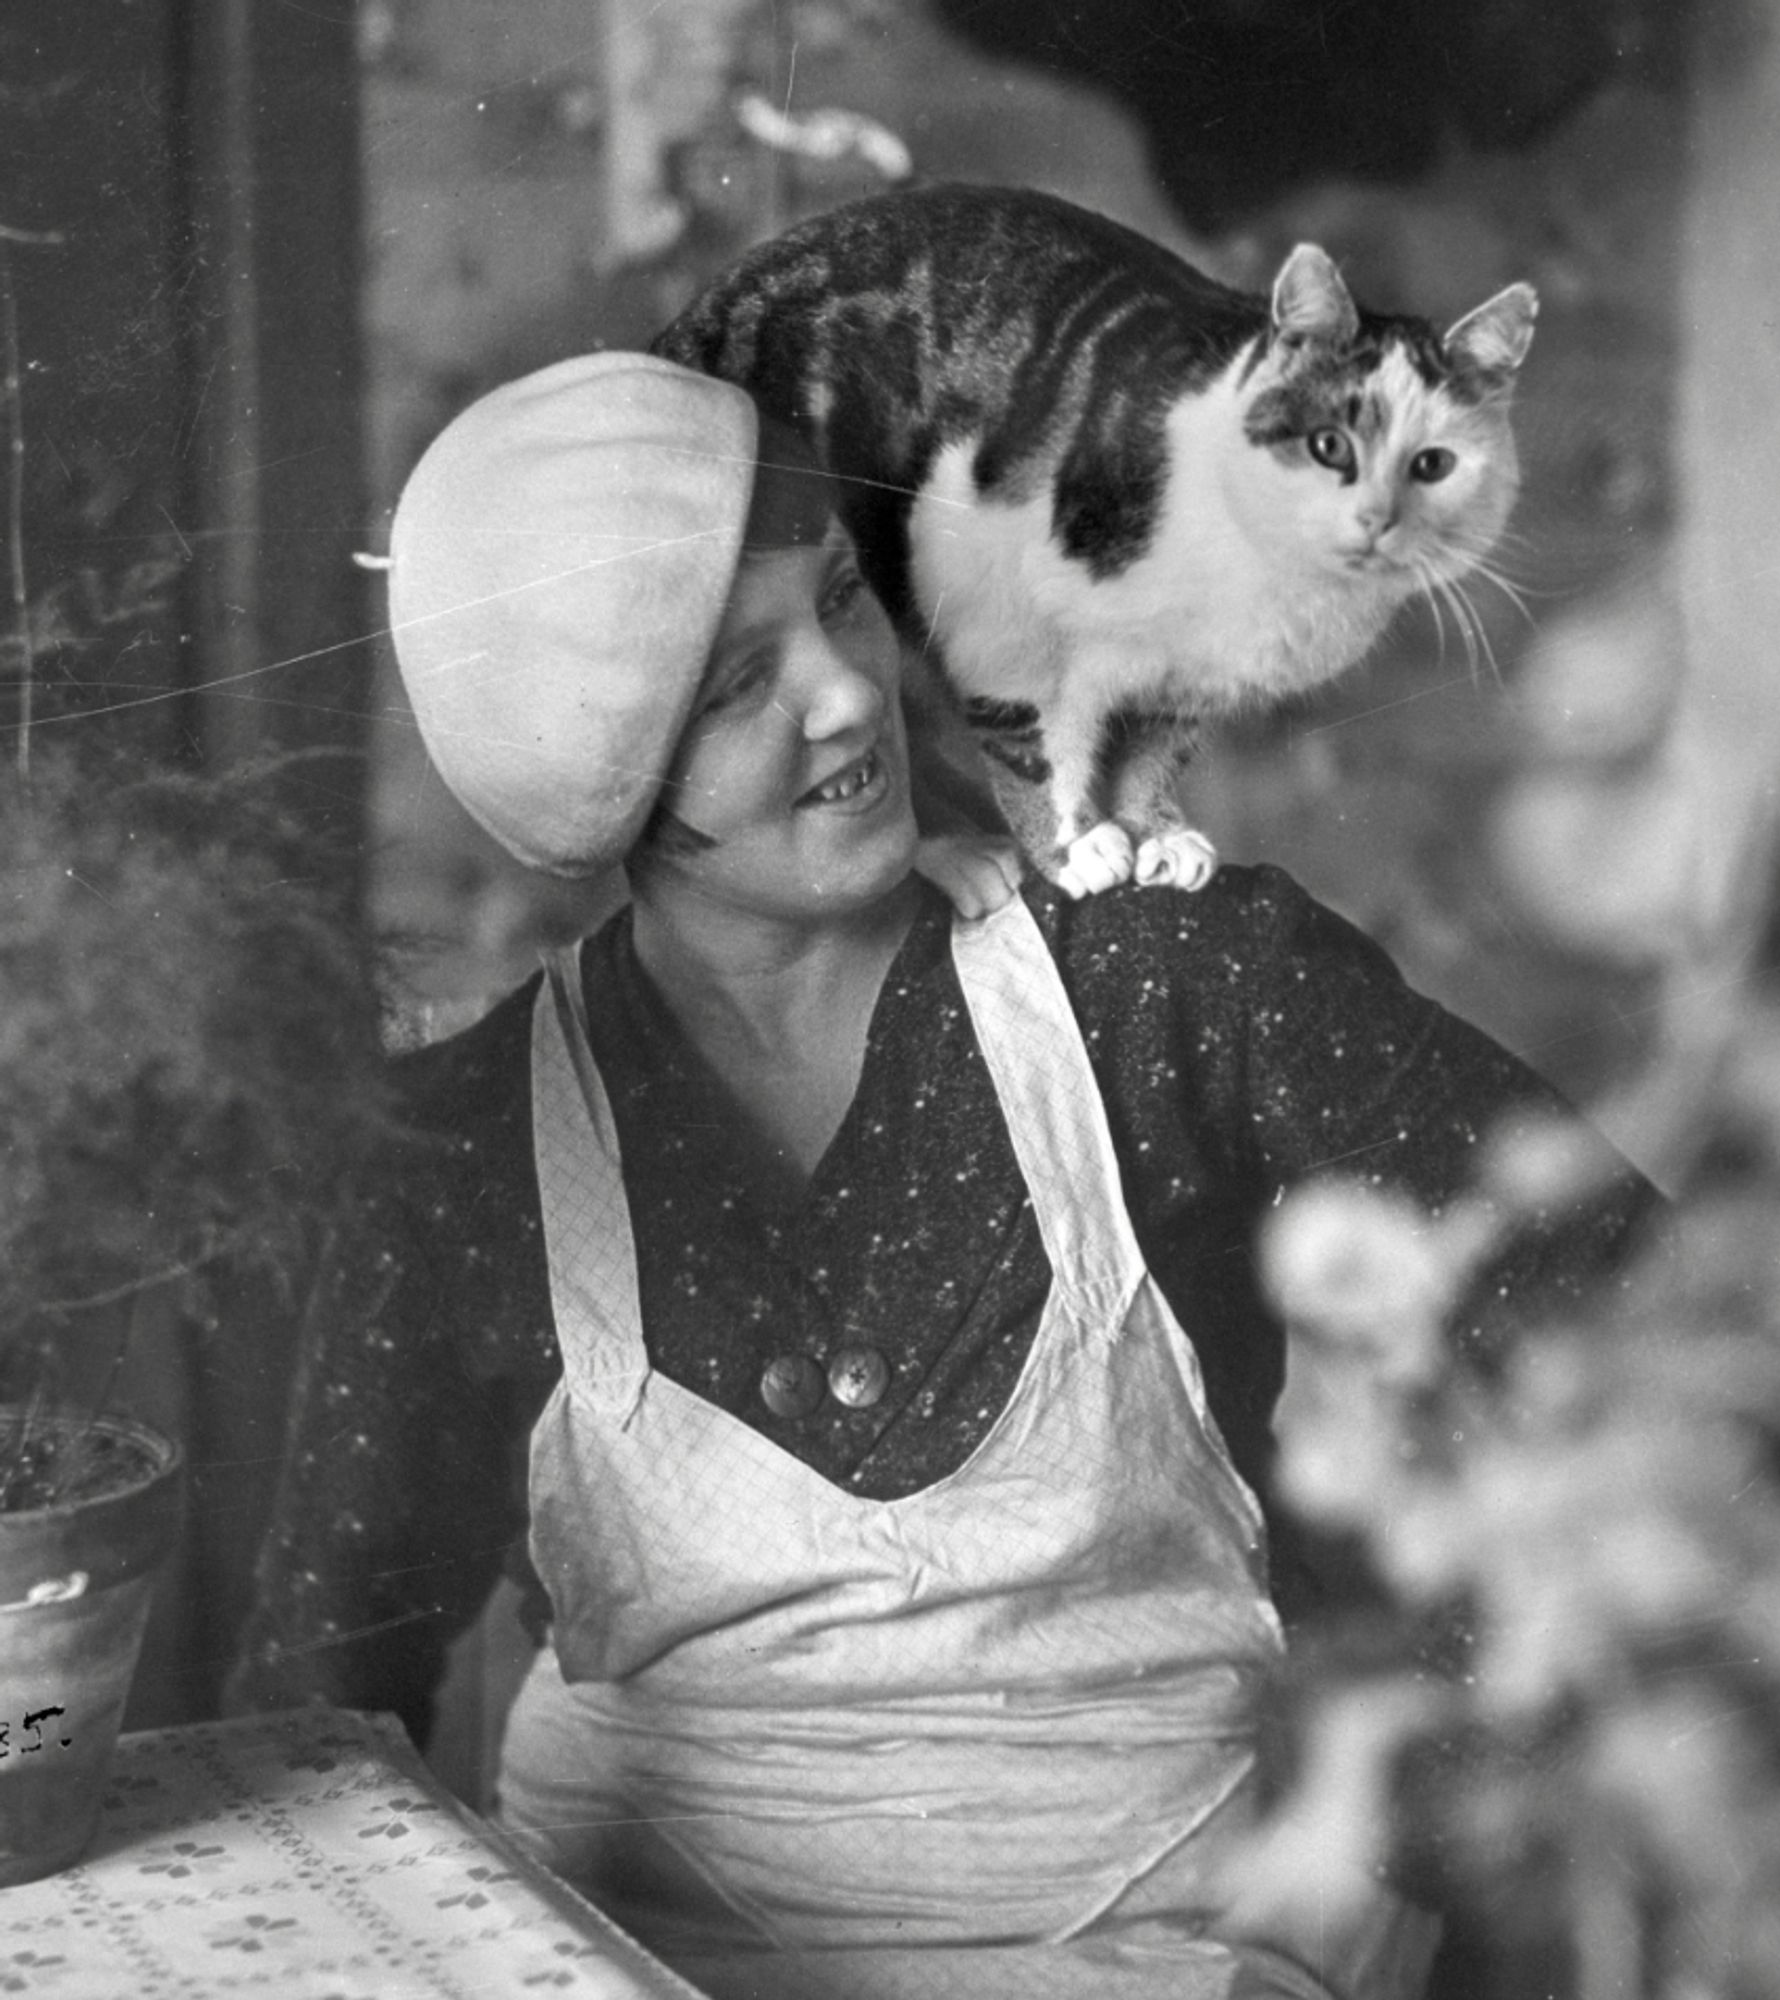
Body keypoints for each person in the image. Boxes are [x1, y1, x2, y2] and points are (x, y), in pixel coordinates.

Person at [230, 353, 1658, 1999]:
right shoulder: (466, 1153)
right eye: (731, 681)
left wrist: (1426, 1795)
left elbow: (1654, 1317)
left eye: (838, 599)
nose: (843, 693)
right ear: (592, 766)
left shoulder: (1169, 986)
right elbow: (313, 1725)